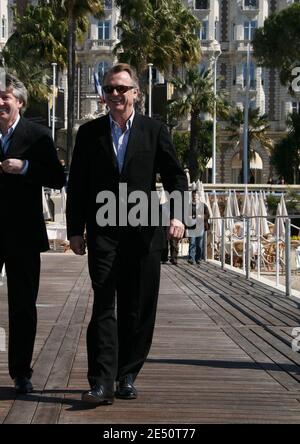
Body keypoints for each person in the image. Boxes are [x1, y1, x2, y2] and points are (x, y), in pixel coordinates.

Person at [66, 63, 187, 405]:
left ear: (136, 92)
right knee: (104, 304)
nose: (115, 94)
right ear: (103, 96)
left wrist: (179, 216)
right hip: (103, 232)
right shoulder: (89, 134)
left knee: (138, 307)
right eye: (110, 89)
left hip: (144, 232)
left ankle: (128, 373)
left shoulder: (154, 130)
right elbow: (76, 185)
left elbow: (176, 178)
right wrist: (75, 229)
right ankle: (101, 381)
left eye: (122, 88)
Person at [0, 73, 65, 394]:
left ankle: (21, 373)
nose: (0, 102)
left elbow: (57, 176)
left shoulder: (37, 135)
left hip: (23, 234)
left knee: (23, 306)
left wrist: (24, 168)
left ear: (20, 103)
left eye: (5, 97)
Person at [187, 191, 210, 265]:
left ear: (199, 197)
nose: (195, 197)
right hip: (192, 227)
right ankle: (191, 258)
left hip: (201, 226)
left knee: (199, 244)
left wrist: (201, 216)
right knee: (192, 243)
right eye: (193, 196)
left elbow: (208, 215)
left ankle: (198, 258)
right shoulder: (189, 206)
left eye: (196, 196)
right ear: (192, 197)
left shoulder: (203, 205)